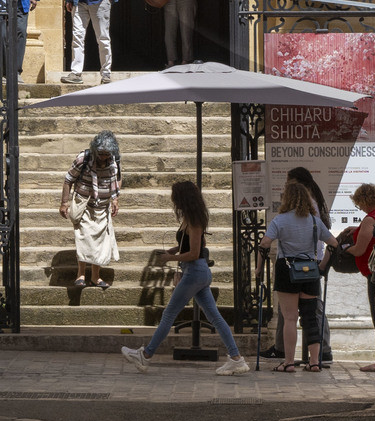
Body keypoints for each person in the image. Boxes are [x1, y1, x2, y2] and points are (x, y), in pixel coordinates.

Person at [122, 178, 247, 376]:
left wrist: (171, 258)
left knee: (169, 314)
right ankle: (236, 358)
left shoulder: (195, 221)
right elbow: (186, 247)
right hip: (196, 272)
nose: (174, 202)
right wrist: (171, 252)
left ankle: (145, 355)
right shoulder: (190, 218)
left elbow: (195, 253)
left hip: (195, 271)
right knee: (214, 317)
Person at [263, 178, 331, 372]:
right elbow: (333, 244)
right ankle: (315, 361)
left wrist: (260, 266)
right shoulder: (314, 221)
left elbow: (265, 243)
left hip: (287, 270)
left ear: (287, 199)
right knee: (310, 318)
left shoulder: (279, 220)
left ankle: (289, 362)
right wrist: (322, 267)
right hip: (310, 270)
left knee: (290, 318)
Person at [59, 131, 121, 291]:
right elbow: (68, 180)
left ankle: (95, 276)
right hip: (84, 205)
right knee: (84, 238)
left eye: (106, 154)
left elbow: (116, 178)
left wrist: (115, 199)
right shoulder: (83, 159)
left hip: (103, 206)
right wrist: (64, 203)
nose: (103, 157)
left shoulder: (114, 160)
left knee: (100, 243)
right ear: (95, 150)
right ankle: (81, 275)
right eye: (101, 153)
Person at [341, 180, 375, 326]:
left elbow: (359, 250)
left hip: (373, 273)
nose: (360, 208)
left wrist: (345, 247)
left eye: (359, 204)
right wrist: (359, 229)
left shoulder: (370, 219)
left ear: (364, 200)